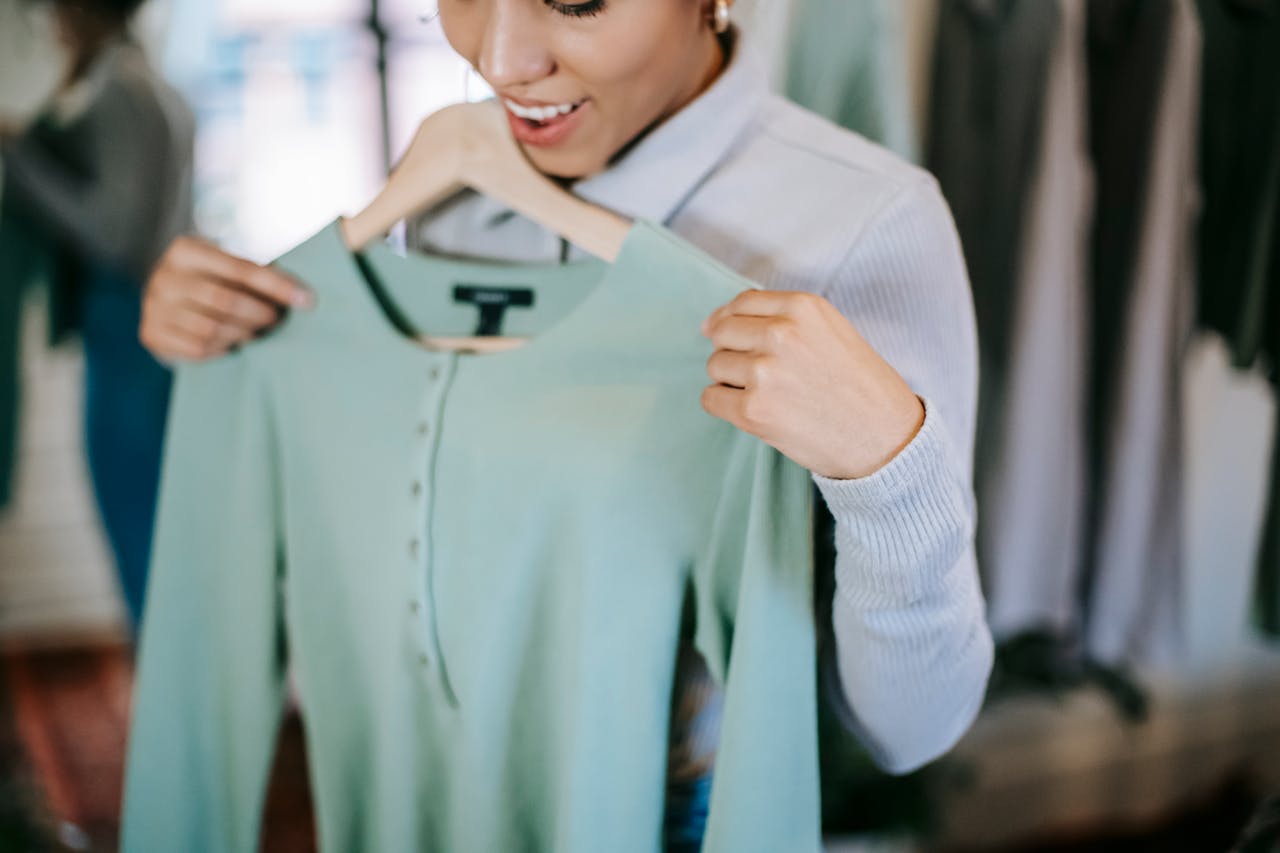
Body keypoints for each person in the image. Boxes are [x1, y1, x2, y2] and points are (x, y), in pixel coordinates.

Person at [136, 0, 992, 845]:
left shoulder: (859, 228)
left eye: (576, 2)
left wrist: (888, 469)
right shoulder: (455, 199)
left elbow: (911, 731)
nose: (501, 61)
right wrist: (232, 343)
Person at [0, 0, 194, 627]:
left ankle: (166, 669)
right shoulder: (149, 84)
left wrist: (20, 158)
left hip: (128, 322)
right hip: (142, 319)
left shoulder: (119, 92)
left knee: (136, 517)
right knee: (153, 516)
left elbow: (115, 234)